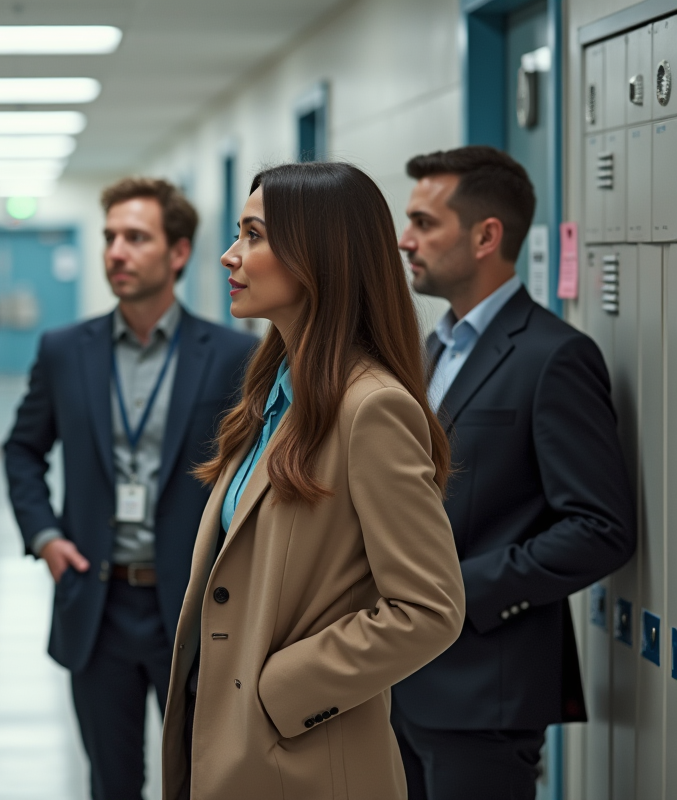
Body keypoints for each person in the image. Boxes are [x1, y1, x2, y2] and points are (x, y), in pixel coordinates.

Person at [161, 162, 466, 800]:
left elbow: (429, 608)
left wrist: (282, 690)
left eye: (253, 235)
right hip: (226, 743)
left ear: (318, 257)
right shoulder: (275, 396)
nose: (229, 255)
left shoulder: (371, 408)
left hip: (301, 762)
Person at [392, 146, 636, 800]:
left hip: (483, 692)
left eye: (423, 222)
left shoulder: (553, 357)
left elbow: (599, 528)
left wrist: (454, 591)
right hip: (399, 682)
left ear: (486, 236)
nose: (404, 239)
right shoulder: (430, 349)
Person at [4, 177, 255, 800]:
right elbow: (22, 449)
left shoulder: (231, 354)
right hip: (99, 603)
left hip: (198, 610)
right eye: (109, 237)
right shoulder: (65, 350)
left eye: (135, 237)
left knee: (203, 781)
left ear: (178, 253)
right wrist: (46, 536)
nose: (116, 251)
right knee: (111, 782)